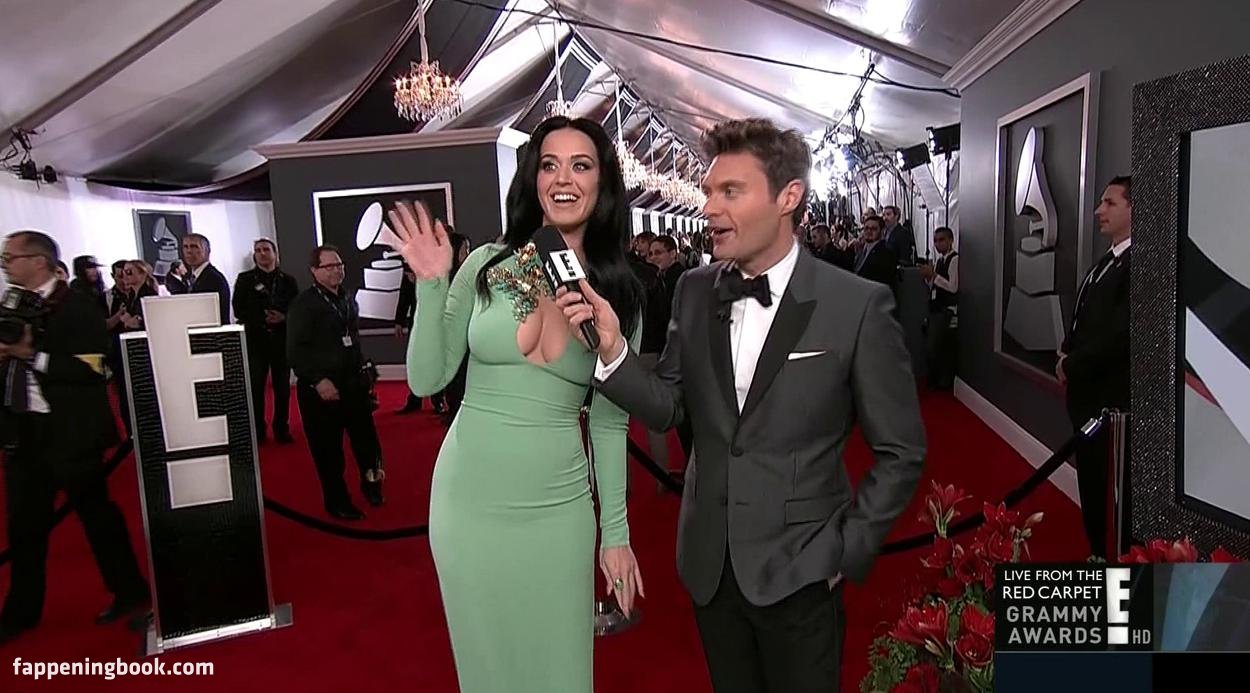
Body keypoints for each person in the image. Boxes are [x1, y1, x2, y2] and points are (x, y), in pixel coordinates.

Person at [557, 117, 926, 693]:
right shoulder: (694, 290)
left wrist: (845, 550)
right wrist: (613, 352)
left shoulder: (857, 305)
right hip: (710, 566)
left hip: (804, 572)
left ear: (788, 197)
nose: (710, 208)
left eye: (731, 191)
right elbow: (668, 406)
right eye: (709, 191)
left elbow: (901, 452)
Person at [385, 116, 644, 693]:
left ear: (602, 183)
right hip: (467, 504)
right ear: (533, 179)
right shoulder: (486, 264)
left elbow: (610, 424)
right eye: (550, 165)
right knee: (487, 669)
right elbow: (427, 379)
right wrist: (431, 283)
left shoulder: (619, 292)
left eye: (581, 165)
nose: (563, 178)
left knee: (561, 672)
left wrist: (616, 534)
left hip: (558, 511)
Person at [0, 232, 149, 646]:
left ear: (39, 261)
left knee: (98, 520)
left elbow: (93, 368)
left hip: (71, 434)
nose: (6, 265)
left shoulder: (78, 305)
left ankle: (129, 590)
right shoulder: (10, 304)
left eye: (11, 257)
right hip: (23, 433)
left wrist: (33, 356)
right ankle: (20, 612)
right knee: (24, 529)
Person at [1058, 176, 1132, 559]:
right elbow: (1085, 319)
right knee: (1091, 492)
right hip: (1085, 403)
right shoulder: (1106, 262)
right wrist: (1066, 353)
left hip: (1109, 402)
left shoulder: (1136, 267)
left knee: (1109, 503)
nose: (1098, 211)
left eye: (1109, 203)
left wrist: (1072, 364)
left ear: (1135, 209)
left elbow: (1120, 335)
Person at [286, 246, 385, 520]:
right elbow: (294, 350)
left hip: (353, 384)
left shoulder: (347, 298)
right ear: (314, 271)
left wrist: (365, 375)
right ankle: (337, 501)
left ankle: (372, 485)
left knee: (368, 445)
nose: (336, 270)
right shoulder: (304, 305)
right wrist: (318, 380)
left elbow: (353, 340)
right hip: (321, 391)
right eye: (329, 266)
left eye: (339, 264)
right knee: (329, 452)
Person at [233, 239, 299, 444]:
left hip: (281, 340)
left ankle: (281, 428)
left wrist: (283, 317)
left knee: (282, 389)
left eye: (266, 249)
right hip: (256, 341)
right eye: (258, 250)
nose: (262, 253)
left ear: (275, 253)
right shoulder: (245, 279)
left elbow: (297, 308)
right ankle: (258, 431)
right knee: (256, 388)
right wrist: (262, 318)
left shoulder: (288, 281)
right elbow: (238, 309)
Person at [920, 227, 959, 391]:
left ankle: (940, 381)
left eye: (941, 240)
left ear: (951, 240)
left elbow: (953, 287)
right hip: (935, 307)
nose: (937, 244)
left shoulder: (954, 260)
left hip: (946, 309)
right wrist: (929, 278)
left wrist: (934, 276)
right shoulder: (939, 261)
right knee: (934, 345)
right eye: (935, 241)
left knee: (935, 346)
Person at [181, 233, 231, 322]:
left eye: (194, 247)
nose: (189, 251)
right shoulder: (191, 277)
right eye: (185, 247)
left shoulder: (213, 278)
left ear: (207, 251)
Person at [853, 215, 899, 291]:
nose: (869, 231)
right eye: (866, 228)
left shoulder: (886, 253)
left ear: (882, 231)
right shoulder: (861, 249)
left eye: (873, 229)